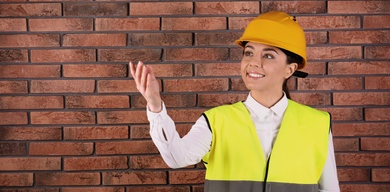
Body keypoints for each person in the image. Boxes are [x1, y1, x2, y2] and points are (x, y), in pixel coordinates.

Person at [130, 11, 340, 192]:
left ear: (290, 69)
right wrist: (155, 107)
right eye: (249, 53)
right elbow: (177, 158)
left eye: (268, 56)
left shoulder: (317, 124)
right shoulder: (216, 121)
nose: (253, 63)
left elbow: (329, 189)